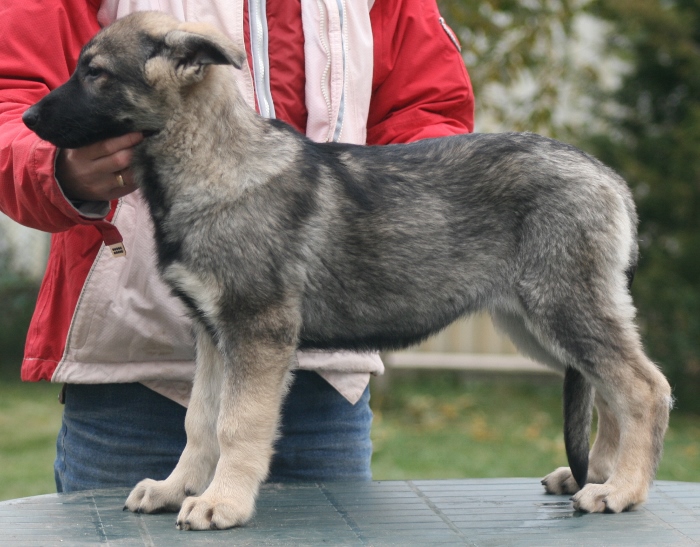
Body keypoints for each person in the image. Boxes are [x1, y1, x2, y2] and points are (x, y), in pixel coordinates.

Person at [0, 0, 474, 491]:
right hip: (133, 381)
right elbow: (10, 97)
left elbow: (426, 110)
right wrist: (55, 167)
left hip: (328, 384)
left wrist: (392, 220)